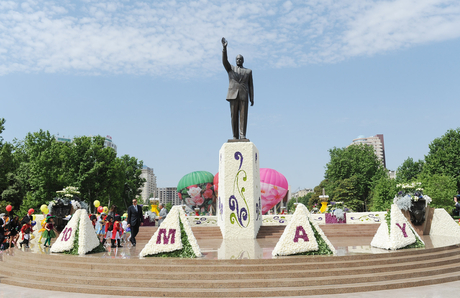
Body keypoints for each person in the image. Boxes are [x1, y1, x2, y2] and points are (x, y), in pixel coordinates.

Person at [222, 37, 254, 140]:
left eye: (240, 59)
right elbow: (224, 61)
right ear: (235, 60)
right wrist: (224, 49)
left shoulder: (248, 71)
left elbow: (251, 85)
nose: (238, 60)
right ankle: (235, 135)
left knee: (243, 117)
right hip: (233, 95)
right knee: (233, 116)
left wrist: (252, 98)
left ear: (243, 60)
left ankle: (242, 135)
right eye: (237, 59)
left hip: (244, 95)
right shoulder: (231, 69)